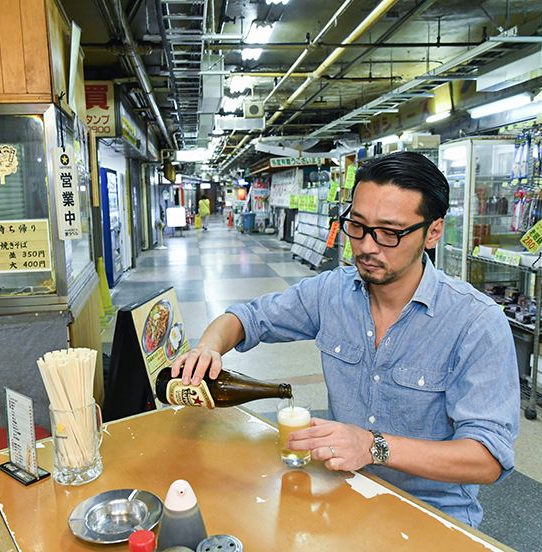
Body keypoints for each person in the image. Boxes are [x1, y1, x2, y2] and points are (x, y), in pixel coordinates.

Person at [172, 152, 520, 528]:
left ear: (433, 232)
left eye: (390, 232)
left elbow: (487, 458)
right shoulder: (332, 292)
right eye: (358, 225)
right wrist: (208, 346)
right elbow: (246, 318)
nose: (367, 246)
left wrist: (372, 446)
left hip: (432, 515)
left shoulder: (476, 322)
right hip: (345, 495)